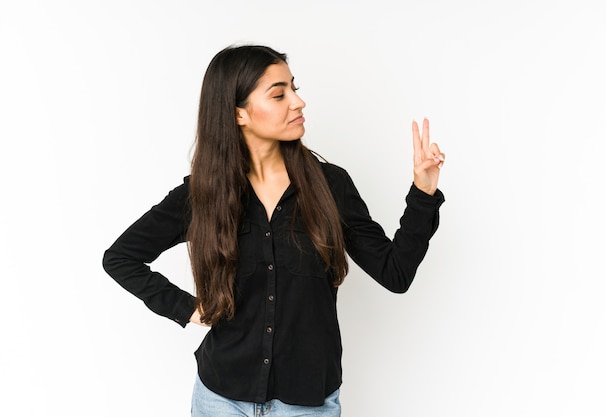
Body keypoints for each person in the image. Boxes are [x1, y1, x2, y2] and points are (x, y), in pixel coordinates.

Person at [102, 44, 445, 417]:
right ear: (238, 114)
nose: (298, 103)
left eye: (294, 89)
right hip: (220, 397)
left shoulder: (331, 185)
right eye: (279, 94)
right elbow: (121, 258)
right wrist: (187, 309)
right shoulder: (202, 194)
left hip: (306, 402)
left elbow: (395, 273)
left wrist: (423, 193)